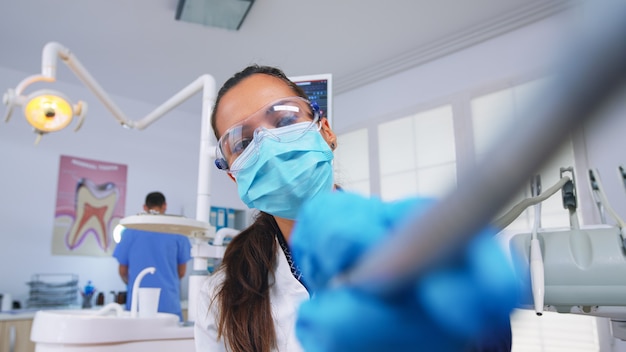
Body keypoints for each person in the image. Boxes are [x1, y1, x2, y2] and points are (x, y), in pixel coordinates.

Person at [194, 65, 519, 351]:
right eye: (242, 142)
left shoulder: (411, 244)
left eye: (283, 119)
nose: (267, 142)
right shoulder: (219, 297)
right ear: (235, 178)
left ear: (326, 132)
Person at [113, 191, 191, 321]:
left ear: (145, 207)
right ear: (164, 206)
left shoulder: (129, 232)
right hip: (169, 304)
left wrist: (134, 283)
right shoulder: (178, 232)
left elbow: (122, 271)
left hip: (137, 306)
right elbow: (181, 272)